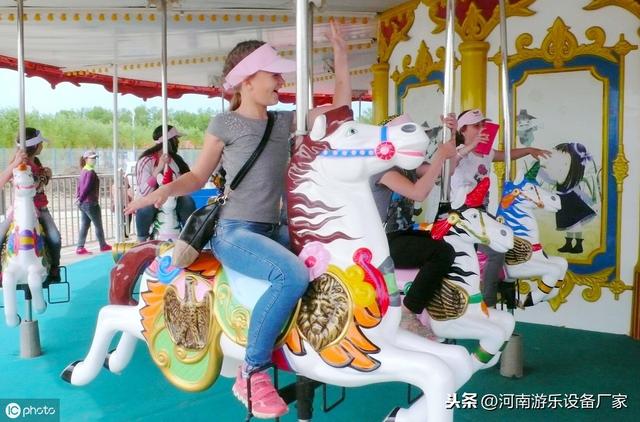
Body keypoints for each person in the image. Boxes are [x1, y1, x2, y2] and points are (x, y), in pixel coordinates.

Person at [125, 21, 351, 419]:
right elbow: (198, 176)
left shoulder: (284, 122)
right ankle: (252, 371)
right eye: (273, 74)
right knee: (291, 275)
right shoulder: (224, 125)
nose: (281, 80)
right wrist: (162, 191)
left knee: (332, 256)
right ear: (247, 80)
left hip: (275, 228)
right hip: (235, 230)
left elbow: (340, 107)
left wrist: (340, 52)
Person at [450, 109, 550, 307]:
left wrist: (529, 150)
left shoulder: (486, 153)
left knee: (512, 238)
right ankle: (488, 301)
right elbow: (448, 165)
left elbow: (506, 155)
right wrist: (469, 146)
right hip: (461, 215)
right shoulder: (457, 151)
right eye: (476, 126)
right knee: (496, 251)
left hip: (481, 214)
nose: (482, 129)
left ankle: (507, 287)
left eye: (483, 125)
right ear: (463, 130)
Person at [370, 114, 457, 335]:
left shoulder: (407, 167)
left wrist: (452, 136)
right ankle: (409, 311)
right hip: (382, 241)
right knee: (441, 252)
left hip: (403, 232)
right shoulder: (382, 170)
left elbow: (447, 171)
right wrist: (439, 156)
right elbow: (418, 193)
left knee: (449, 238)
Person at [0, 128, 62, 281]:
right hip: (19, 210)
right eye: (41, 143)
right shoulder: (19, 164)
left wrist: (47, 174)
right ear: (35, 146)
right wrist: (15, 163)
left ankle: (55, 267)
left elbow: (40, 181)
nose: (42, 146)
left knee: (55, 238)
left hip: (41, 209)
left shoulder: (36, 163)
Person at [133, 125, 196, 242]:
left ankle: (190, 238)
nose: (178, 142)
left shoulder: (176, 160)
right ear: (170, 141)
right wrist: (159, 168)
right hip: (152, 200)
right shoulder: (145, 161)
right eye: (176, 139)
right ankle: (141, 239)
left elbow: (186, 184)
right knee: (145, 207)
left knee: (187, 201)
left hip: (173, 198)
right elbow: (144, 191)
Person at [75, 151, 112, 255]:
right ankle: (103, 245)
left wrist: (78, 198)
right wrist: (80, 199)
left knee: (85, 225)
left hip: (84, 203)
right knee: (98, 225)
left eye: (95, 158)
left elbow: (79, 186)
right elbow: (86, 187)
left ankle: (80, 247)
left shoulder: (83, 170)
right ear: (86, 159)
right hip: (90, 202)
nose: (94, 160)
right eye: (92, 158)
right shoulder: (90, 172)